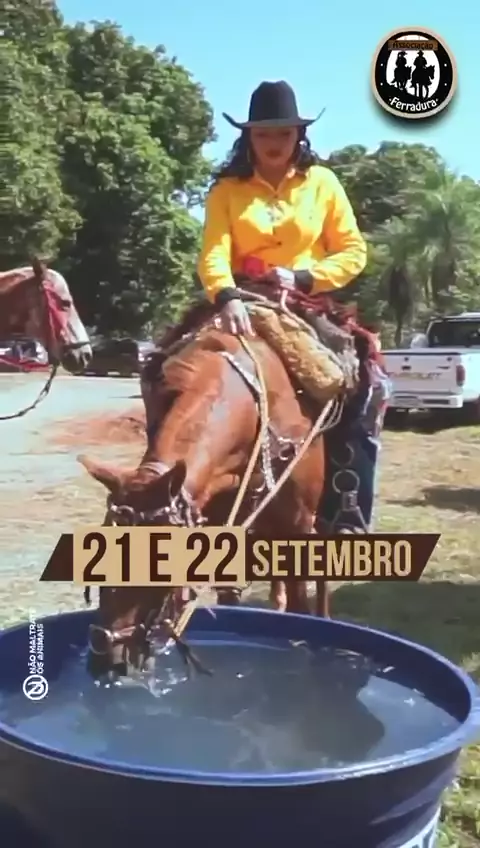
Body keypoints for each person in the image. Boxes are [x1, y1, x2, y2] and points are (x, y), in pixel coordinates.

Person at [197, 80, 385, 531]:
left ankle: (346, 508)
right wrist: (225, 294)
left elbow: (353, 251)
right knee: (166, 371)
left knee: (364, 384)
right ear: (248, 137)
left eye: (283, 133)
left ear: (299, 134)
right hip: (239, 300)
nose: (274, 143)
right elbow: (213, 252)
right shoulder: (226, 190)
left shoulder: (323, 183)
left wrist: (304, 276)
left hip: (304, 302)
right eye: (263, 134)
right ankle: (164, 492)